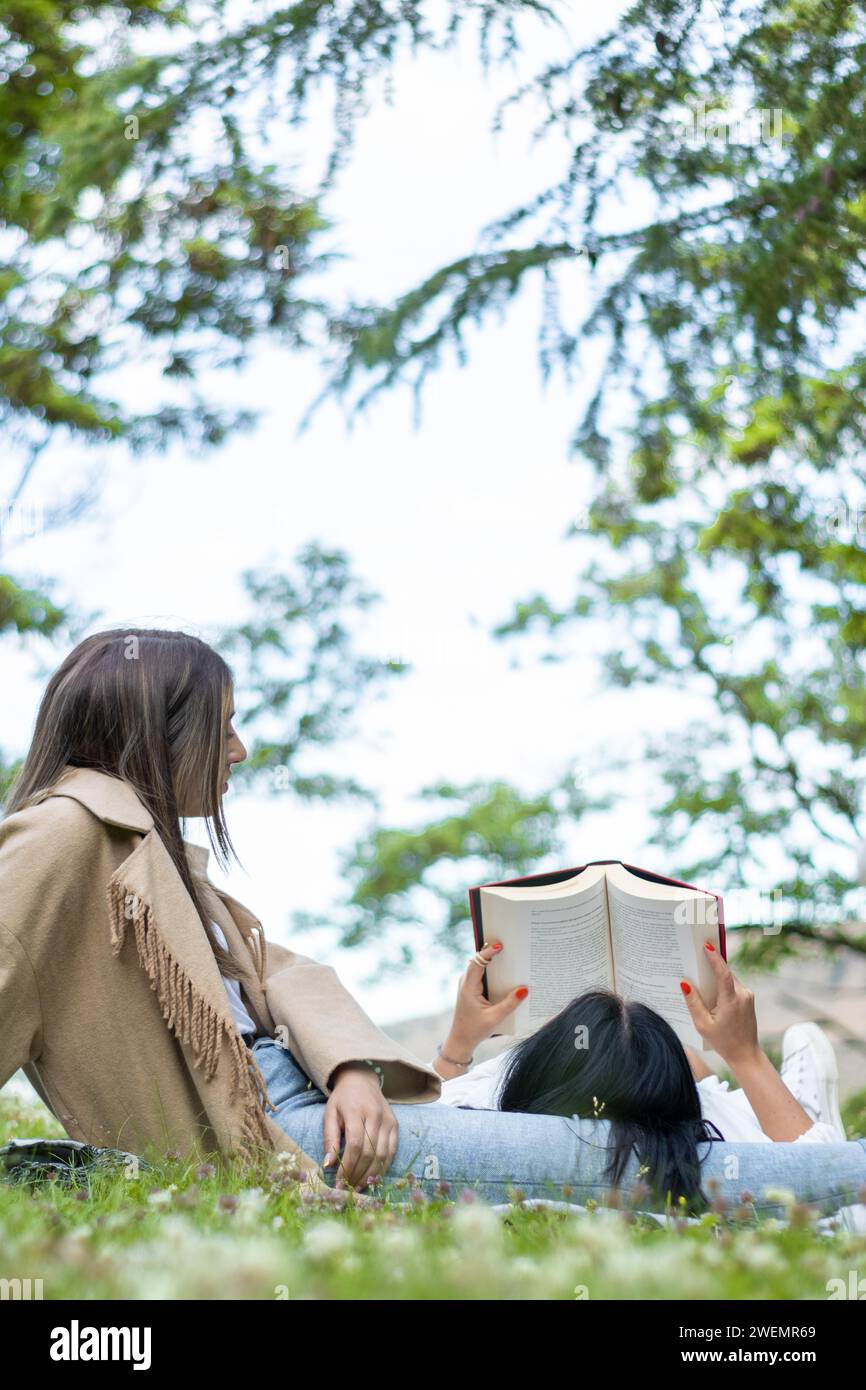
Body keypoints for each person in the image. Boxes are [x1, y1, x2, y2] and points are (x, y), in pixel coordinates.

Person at [1, 628, 864, 1219]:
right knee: (627, 1163)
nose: (241, 749)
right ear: (159, 732)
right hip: (275, 1132)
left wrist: (349, 1069)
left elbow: (284, 976)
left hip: (315, 1102)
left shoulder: (159, 855)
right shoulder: (65, 833)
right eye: (223, 728)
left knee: (611, 1143)